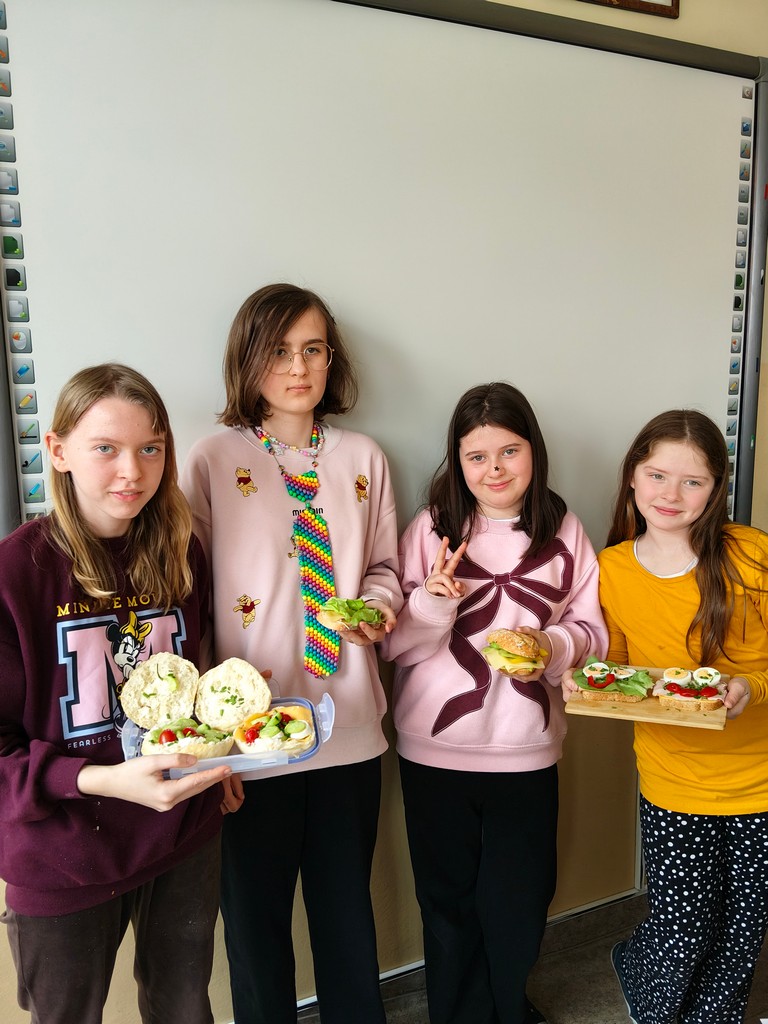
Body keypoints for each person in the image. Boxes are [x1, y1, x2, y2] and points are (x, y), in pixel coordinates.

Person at [181, 283, 402, 1024]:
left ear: (331, 359)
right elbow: (190, 595)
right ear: (248, 358)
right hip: (251, 738)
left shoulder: (364, 457)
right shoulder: (213, 459)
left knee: (347, 918)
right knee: (255, 927)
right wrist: (210, 746)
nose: (298, 367)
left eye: (312, 349)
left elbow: (383, 567)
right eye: (278, 350)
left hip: (350, 722)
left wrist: (379, 607)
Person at [0, 363, 232, 1024]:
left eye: (150, 448)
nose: (132, 471)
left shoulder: (183, 552)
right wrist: (103, 780)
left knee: (184, 1007)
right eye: (106, 448)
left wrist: (223, 753)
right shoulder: (14, 573)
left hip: (182, 834)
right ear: (58, 450)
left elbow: (191, 679)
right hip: (62, 856)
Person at [381, 381, 608, 1024]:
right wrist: (433, 602)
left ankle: (508, 1007)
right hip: (435, 750)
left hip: (527, 750)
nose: (495, 470)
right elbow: (395, 645)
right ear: (457, 461)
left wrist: (551, 646)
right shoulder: (432, 528)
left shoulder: (563, 529)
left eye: (510, 451)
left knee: (521, 901)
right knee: (445, 901)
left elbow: (592, 633)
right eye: (477, 457)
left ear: (534, 450)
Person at [562, 409, 768, 1024]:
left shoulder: (752, 555)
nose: (670, 495)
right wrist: (588, 678)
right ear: (632, 477)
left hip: (760, 781)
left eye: (692, 481)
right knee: (682, 928)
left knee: (741, 931)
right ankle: (644, 986)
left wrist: (750, 687)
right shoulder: (614, 568)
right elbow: (624, 667)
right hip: (672, 779)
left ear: (716, 488)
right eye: (656, 475)